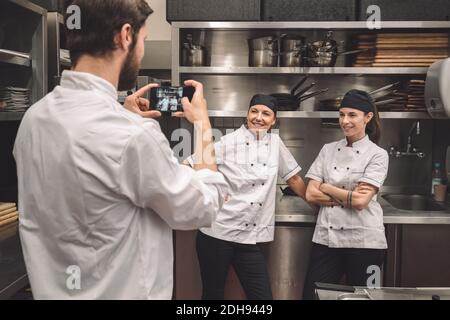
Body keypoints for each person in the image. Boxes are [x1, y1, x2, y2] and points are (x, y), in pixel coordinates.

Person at [13, 0, 228, 299]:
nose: (141, 52)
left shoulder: (34, 118)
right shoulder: (133, 135)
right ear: (125, 35)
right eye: (143, 41)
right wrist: (203, 124)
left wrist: (123, 116)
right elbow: (202, 206)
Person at [185, 94, 310, 300]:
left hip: (249, 238)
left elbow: (293, 179)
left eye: (266, 113)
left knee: (262, 298)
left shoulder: (275, 143)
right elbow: (189, 165)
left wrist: (315, 205)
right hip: (218, 232)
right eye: (254, 111)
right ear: (247, 114)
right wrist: (206, 194)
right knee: (212, 295)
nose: (259, 117)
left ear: (274, 120)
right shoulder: (228, 141)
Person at [302, 89, 389, 300]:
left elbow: (360, 202)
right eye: (342, 114)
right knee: (312, 297)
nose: (345, 121)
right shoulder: (328, 149)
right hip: (327, 240)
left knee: (367, 299)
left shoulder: (378, 155)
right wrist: (347, 194)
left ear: (368, 117)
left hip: (365, 242)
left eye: (352, 115)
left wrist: (327, 187)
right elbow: (310, 194)